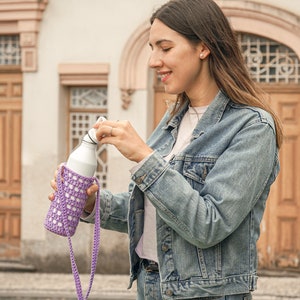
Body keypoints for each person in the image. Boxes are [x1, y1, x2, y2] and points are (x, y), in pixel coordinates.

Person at [49, 0, 283, 299]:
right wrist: (92, 204)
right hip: (151, 286)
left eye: (165, 47)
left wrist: (144, 158)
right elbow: (157, 213)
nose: (153, 61)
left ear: (203, 47)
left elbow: (208, 224)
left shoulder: (252, 126)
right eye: (151, 48)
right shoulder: (174, 118)